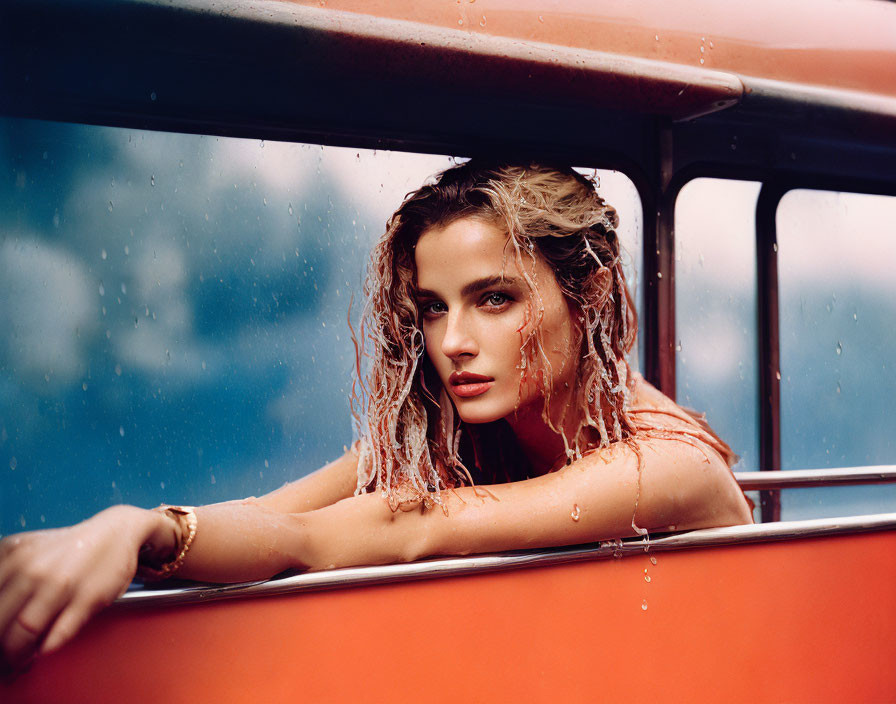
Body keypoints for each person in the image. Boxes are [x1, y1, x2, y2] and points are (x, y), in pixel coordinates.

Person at [0, 162, 752, 668]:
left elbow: (411, 524)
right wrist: (131, 531)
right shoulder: (466, 428)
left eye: (495, 299)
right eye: (433, 308)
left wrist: (147, 533)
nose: (453, 342)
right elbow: (277, 516)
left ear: (583, 299)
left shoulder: (668, 466)